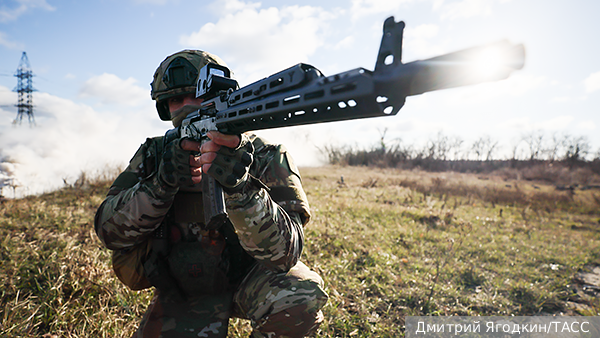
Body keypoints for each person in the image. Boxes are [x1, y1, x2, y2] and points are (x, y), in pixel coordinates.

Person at [94, 50, 328, 338]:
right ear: (165, 109)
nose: (188, 106)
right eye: (176, 100)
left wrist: (241, 189)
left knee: (300, 295)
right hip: (180, 286)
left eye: (198, 95)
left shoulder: (266, 155)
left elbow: (285, 254)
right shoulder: (155, 153)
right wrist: (161, 183)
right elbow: (109, 232)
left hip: (249, 277)